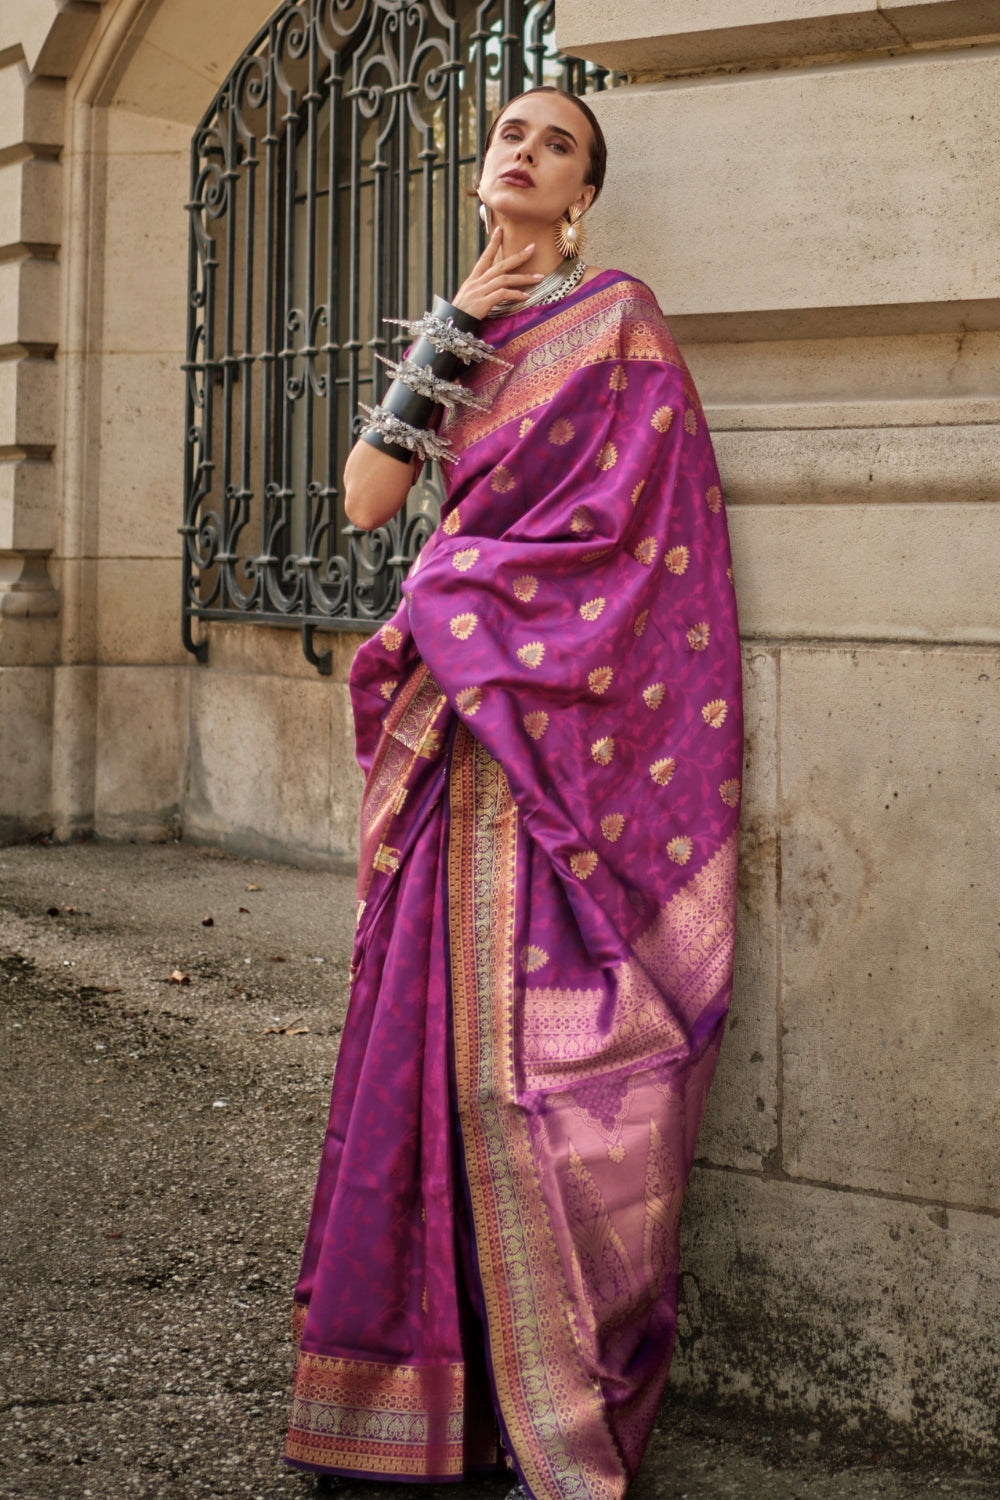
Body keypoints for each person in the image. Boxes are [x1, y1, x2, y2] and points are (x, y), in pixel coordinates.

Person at [284, 86, 743, 1500]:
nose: (523, 150)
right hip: (455, 746)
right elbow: (368, 499)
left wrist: (475, 590)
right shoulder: (460, 328)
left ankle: (537, 1393)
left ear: (586, 190)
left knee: (543, 1071)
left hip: (554, 740)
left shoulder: (618, 321)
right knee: (418, 1056)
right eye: (508, 134)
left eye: (555, 141)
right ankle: (410, 1403)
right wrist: (445, 337)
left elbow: (640, 536)